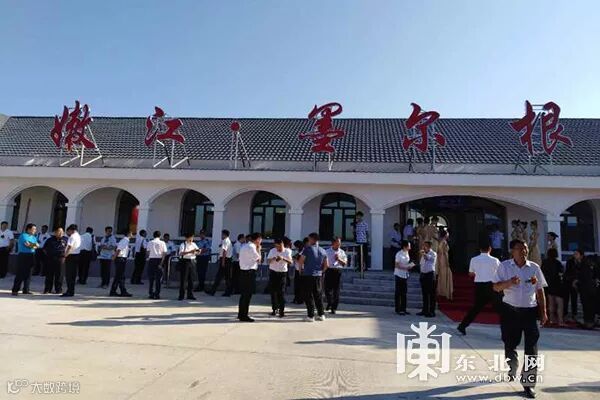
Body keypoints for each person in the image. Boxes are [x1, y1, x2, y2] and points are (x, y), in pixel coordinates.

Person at [493, 239, 548, 399]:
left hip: (530, 312)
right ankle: (512, 365)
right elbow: (495, 287)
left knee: (532, 348)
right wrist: (509, 282)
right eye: (520, 249)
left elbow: (540, 291)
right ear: (512, 251)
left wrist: (543, 312)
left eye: (525, 249)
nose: (524, 251)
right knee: (510, 343)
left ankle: (529, 384)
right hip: (510, 311)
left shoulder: (534, 268)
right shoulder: (504, 266)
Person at [457, 239, 501, 335]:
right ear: (490, 249)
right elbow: (500, 272)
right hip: (492, 285)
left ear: (480, 249)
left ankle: (463, 325)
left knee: (476, 308)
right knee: (500, 309)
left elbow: (471, 273)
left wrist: (479, 273)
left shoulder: (474, 259)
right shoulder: (495, 260)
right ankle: (505, 331)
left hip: (479, 285)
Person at [298, 232, 329, 322]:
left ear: (312, 239)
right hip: (318, 275)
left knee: (308, 296)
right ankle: (321, 314)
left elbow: (301, 261)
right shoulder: (323, 250)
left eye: (309, 239)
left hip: (308, 274)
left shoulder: (307, 249)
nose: (308, 240)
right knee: (318, 295)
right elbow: (327, 265)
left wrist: (300, 270)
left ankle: (311, 316)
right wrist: (321, 271)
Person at [237, 233, 262, 322]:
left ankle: (241, 314)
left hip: (243, 272)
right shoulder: (252, 247)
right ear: (257, 239)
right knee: (247, 295)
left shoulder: (244, 246)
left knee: (243, 295)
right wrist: (259, 249)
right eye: (260, 240)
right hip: (249, 273)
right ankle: (244, 315)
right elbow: (259, 259)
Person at [267, 238, 293, 317]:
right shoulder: (272, 251)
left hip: (282, 273)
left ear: (282, 244)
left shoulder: (287, 251)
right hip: (273, 272)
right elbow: (268, 261)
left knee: (281, 292)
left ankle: (282, 310)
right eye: (277, 247)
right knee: (273, 292)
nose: (279, 248)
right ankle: (274, 309)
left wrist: (283, 258)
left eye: (280, 246)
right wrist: (273, 259)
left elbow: (291, 262)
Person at [11, 223, 38, 295]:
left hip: (31, 255)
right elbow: (28, 245)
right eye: (33, 229)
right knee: (20, 273)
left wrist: (33, 245)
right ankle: (15, 290)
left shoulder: (34, 237)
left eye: (35, 229)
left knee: (29, 273)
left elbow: (37, 246)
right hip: (23, 255)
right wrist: (34, 245)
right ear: (29, 229)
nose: (35, 230)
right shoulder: (23, 236)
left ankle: (26, 289)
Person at [541, 248, 565, 326]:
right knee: (559, 303)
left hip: (548, 284)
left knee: (551, 303)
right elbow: (561, 273)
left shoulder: (545, 262)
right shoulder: (557, 263)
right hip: (557, 284)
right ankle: (560, 320)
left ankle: (551, 319)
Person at [573, 250, 597, 329]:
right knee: (586, 305)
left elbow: (585, 276)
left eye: (576, 254)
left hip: (587, 288)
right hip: (586, 287)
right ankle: (588, 321)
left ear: (581, 255)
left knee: (588, 305)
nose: (574, 255)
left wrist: (577, 281)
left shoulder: (585, 264)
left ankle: (589, 322)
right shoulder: (579, 263)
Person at [207, 230, 233, 296]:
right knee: (226, 276)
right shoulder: (227, 241)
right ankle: (227, 291)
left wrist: (223, 261)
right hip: (227, 259)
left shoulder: (225, 241)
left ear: (224, 235)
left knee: (220, 276)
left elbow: (224, 251)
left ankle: (213, 291)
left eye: (222, 234)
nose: (221, 235)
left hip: (225, 259)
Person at [325, 237, 347, 314]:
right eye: (337, 242)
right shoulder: (327, 251)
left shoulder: (342, 252)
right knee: (327, 289)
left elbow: (344, 263)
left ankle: (334, 308)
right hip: (329, 270)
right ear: (333, 243)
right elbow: (323, 261)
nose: (339, 244)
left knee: (336, 290)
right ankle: (330, 302)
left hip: (337, 271)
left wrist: (338, 259)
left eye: (340, 242)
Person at [43, 227, 67, 294]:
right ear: (55, 232)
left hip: (61, 259)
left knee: (59, 275)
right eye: (59, 231)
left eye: (62, 232)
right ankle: (47, 289)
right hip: (51, 259)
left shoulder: (65, 239)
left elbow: (68, 248)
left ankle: (58, 290)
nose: (61, 233)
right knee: (49, 275)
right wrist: (49, 255)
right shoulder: (50, 240)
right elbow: (44, 249)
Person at [394, 240, 415, 315]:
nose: (410, 247)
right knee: (398, 293)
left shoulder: (407, 253)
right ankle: (398, 309)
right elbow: (396, 265)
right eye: (409, 246)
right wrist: (406, 267)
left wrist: (410, 266)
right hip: (399, 275)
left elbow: (407, 263)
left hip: (405, 275)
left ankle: (403, 309)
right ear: (404, 246)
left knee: (404, 293)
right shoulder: (399, 254)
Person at [418, 241, 437, 317]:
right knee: (424, 293)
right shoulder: (423, 254)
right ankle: (424, 310)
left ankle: (431, 311)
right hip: (423, 275)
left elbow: (428, 258)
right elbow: (421, 264)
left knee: (431, 294)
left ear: (429, 247)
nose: (424, 247)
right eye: (423, 245)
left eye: (425, 246)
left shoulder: (433, 253)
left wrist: (423, 253)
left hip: (430, 275)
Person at [110, 231, 133, 297]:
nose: (132, 235)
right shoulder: (125, 241)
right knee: (119, 276)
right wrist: (114, 257)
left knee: (120, 276)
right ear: (129, 234)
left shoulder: (125, 240)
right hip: (120, 259)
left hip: (121, 259)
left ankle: (120, 291)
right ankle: (118, 291)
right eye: (131, 234)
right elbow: (118, 249)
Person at [146, 230, 167, 299]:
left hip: (151, 260)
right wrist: (161, 263)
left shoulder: (150, 242)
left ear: (153, 235)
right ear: (160, 236)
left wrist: (150, 256)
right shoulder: (162, 243)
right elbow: (164, 253)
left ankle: (151, 293)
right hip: (159, 260)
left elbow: (147, 252)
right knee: (158, 279)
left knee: (151, 278)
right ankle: (157, 294)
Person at [62, 224, 81, 297]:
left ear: (71, 230)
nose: (67, 233)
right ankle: (71, 291)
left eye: (68, 231)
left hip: (71, 256)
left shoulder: (72, 237)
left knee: (69, 275)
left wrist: (65, 255)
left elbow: (69, 246)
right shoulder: (78, 236)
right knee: (73, 275)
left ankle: (69, 291)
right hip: (77, 255)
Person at [178, 233, 199, 301]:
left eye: (192, 238)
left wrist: (198, 252)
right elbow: (181, 253)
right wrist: (190, 252)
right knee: (184, 279)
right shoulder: (183, 244)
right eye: (190, 238)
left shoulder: (193, 244)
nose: (191, 239)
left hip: (192, 261)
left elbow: (197, 251)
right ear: (187, 238)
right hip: (185, 262)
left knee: (191, 279)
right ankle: (181, 295)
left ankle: (190, 294)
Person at [564, 250, 582, 321]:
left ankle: (574, 314)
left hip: (575, 282)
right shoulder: (570, 261)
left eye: (576, 254)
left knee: (574, 299)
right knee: (566, 299)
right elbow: (568, 271)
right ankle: (565, 314)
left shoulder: (581, 262)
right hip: (568, 282)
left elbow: (580, 272)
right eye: (574, 254)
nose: (575, 255)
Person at [436, 231, 453, 300]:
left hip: (440, 258)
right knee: (445, 275)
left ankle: (441, 291)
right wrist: (447, 262)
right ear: (445, 235)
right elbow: (445, 253)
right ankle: (444, 292)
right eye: (447, 234)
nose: (448, 235)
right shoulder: (444, 242)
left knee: (442, 275)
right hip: (443, 259)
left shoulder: (440, 242)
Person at [292, 239, 306, 304]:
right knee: (296, 285)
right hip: (297, 269)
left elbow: (301, 261)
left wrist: (295, 259)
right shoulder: (299, 252)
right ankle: (296, 298)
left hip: (302, 270)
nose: (295, 248)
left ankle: (300, 299)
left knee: (301, 286)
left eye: (296, 247)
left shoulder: (304, 252)